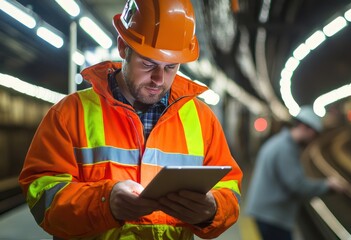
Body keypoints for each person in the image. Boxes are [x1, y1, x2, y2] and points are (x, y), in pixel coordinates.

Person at [18, 0, 243, 239]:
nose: (159, 79)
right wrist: (104, 202)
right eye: (148, 64)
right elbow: (42, 195)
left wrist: (212, 210)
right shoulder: (69, 114)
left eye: (171, 67)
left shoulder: (201, 119)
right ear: (123, 48)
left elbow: (230, 189)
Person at [244, 106, 345, 240]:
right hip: (272, 216)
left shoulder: (282, 143)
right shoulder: (285, 149)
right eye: (313, 134)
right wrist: (328, 186)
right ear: (304, 127)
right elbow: (298, 186)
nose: (313, 139)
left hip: (268, 213)